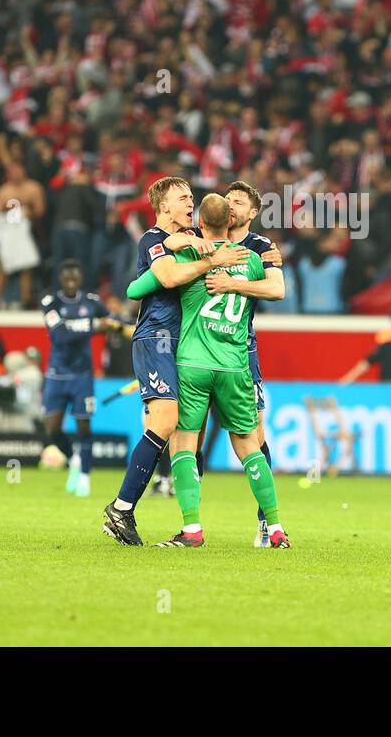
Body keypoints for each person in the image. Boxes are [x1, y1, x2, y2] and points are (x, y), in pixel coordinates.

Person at [124, 193, 289, 549]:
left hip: (192, 364)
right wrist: (252, 271)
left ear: (200, 223)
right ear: (230, 222)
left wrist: (176, 244)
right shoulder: (253, 257)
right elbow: (276, 289)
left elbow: (137, 288)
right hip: (235, 365)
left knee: (183, 446)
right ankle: (274, 528)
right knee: (250, 446)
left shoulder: (190, 254)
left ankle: (192, 530)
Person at [99, 177, 249, 546]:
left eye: (192, 198)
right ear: (163, 206)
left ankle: (188, 526)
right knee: (165, 420)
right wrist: (212, 258)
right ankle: (121, 509)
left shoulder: (190, 236)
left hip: (188, 345)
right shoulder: (151, 239)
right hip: (157, 338)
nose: (189, 203)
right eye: (182, 198)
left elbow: (224, 237)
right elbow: (166, 277)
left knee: (189, 434)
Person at [40, 258, 126, 499]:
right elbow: (61, 336)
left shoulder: (91, 302)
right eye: (66, 276)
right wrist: (95, 327)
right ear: (60, 278)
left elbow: (113, 320)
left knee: (84, 427)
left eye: (74, 276)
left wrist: (119, 322)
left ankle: (85, 477)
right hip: (57, 375)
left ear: (80, 278)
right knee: (52, 430)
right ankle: (74, 458)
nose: (70, 280)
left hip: (82, 376)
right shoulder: (50, 302)